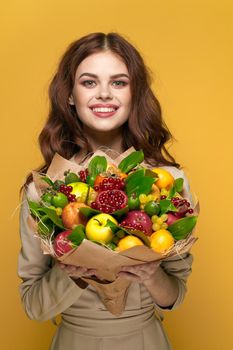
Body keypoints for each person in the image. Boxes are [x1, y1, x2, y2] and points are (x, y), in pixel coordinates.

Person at [18, 32, 194, 350]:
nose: (103, 94)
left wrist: (151, 274)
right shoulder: (43, 189)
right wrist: (74, 273)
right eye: (88, 82)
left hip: (146, 341)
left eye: (118, 82)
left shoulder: (169, 183)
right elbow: (33, 306)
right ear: (70, 95)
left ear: (135, 92)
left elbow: (176, 297)